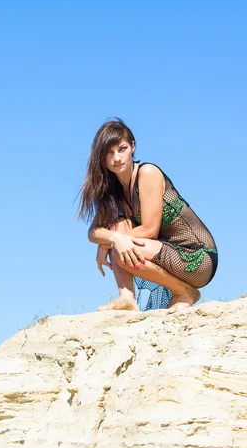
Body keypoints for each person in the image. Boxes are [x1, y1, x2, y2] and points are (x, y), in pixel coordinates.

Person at [77, 118, 218, 311]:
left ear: (133, 147)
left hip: (198, 257)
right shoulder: (112, 191)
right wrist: (113, 238)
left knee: (121, 244)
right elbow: (93, 231)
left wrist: (109, 242)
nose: (116, 158)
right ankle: (127, 298)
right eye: (109, 152)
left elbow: (150, 230)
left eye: (122, 149)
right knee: (118, 224)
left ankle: (186, 292)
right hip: (163, 252)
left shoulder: (147, 172)